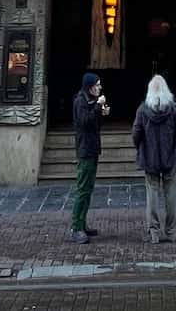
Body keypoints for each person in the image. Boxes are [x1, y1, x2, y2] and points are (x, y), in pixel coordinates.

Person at [132, 74, 176, 243]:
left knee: (152, 195)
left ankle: (154, 232)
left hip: (150, 157)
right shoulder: (174, 108)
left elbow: (136, 132)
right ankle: (171, 232)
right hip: (171, 155)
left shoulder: (143, 110)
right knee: (171, 194)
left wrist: (140, 146)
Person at [70, 71, 109, 243]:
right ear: (90, 86)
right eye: (98, 84)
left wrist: (102, 112)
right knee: (83, 189)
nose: (100, 87)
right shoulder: (80, 101)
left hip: (92, 149)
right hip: (85, 150)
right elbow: (85, 122)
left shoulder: (88, 101)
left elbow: (94, 123)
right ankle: (76, 227)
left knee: (88, 189)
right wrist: (97, 106)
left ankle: (82, 224)